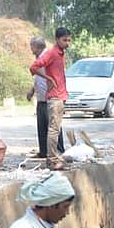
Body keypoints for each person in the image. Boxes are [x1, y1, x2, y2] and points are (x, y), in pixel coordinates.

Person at [29, 27, 72, 171]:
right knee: (53, 130)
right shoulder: (52, 53)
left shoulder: (60, 54)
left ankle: (54, 156)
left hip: (60, 95)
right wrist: (48, 78)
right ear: (57, 39)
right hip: (55, 96)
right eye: (64, 40)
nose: (67, 43)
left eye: (69, 40)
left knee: (55, 128)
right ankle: (52, 160)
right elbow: (34, 67)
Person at [26, 37, 65, 159]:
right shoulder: (40, 57)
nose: (31, 49)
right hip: (41, 97)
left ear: (37, 47)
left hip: (51, 96)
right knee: (42, 126)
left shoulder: (48, 55)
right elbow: (38, 76)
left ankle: (58, 150)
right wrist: (33, 90)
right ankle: (43, 151)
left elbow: (54, 75)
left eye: (32, 46)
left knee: (53, 126)